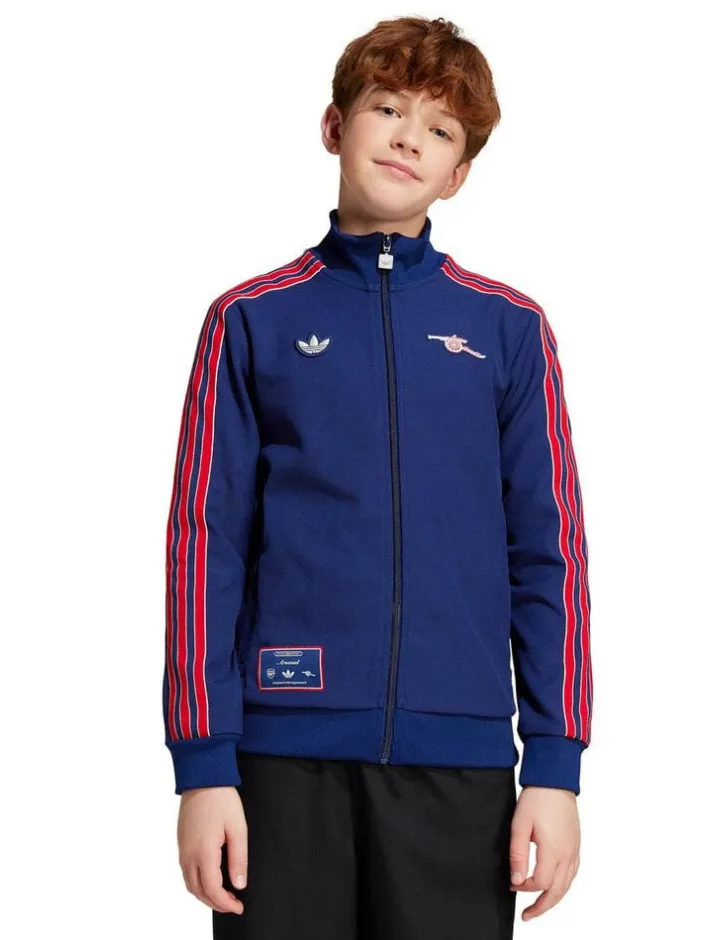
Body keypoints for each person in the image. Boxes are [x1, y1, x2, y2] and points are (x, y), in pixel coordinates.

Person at [163, 15, 593, 940]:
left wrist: (556, 767)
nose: (408, 138)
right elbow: (204, 547)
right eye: (387, 109)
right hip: (280, 761)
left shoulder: (510, 329)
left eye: (439, 128)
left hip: (461, 765)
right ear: (334, 126)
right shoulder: (250, 320)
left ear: (458, 173)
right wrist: (203, 765)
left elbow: (550, 555)